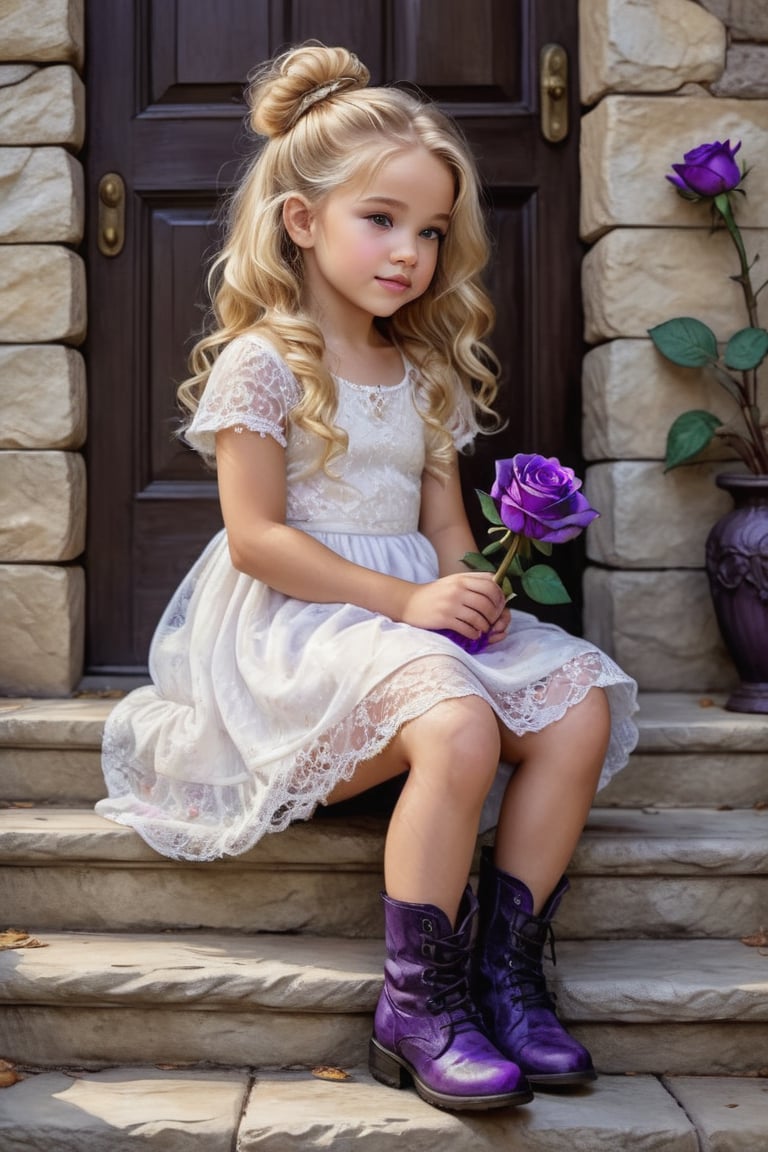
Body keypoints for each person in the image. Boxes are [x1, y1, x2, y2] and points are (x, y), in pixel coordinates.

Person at [97, 42, 638, 1113]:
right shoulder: (265, 360)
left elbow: (444, 523)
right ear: (304, 222)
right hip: (303, 621)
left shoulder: (425, 370)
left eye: (431, 231)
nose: (410, 251)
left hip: (409, 612)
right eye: (381, 219)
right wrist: (406, 604)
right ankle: (418, 1001)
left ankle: (506, 974)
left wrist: (469, 587)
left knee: (577, 705)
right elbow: (255, 538)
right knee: (459, 727)